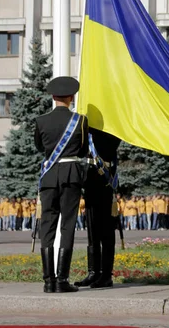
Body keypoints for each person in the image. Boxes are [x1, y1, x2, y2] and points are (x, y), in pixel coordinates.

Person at [34, 76, 89, 293]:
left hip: (49, 177)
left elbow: (41, 148)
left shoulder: (41, 121)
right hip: (71, 175)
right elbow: (83, 150)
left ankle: (48, 281)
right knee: (67, 225)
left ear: (53, 97)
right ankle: (62, 280)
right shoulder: (80, 121)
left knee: (47, 225)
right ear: (71, 97)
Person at [75, 129, 121, 289]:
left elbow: (112, 145)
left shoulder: (111, 131)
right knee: (92, 231)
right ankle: (93, 272)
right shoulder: (88, 132)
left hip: (105, 181)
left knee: (106, 232)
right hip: (90, 181)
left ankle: (106, 275)